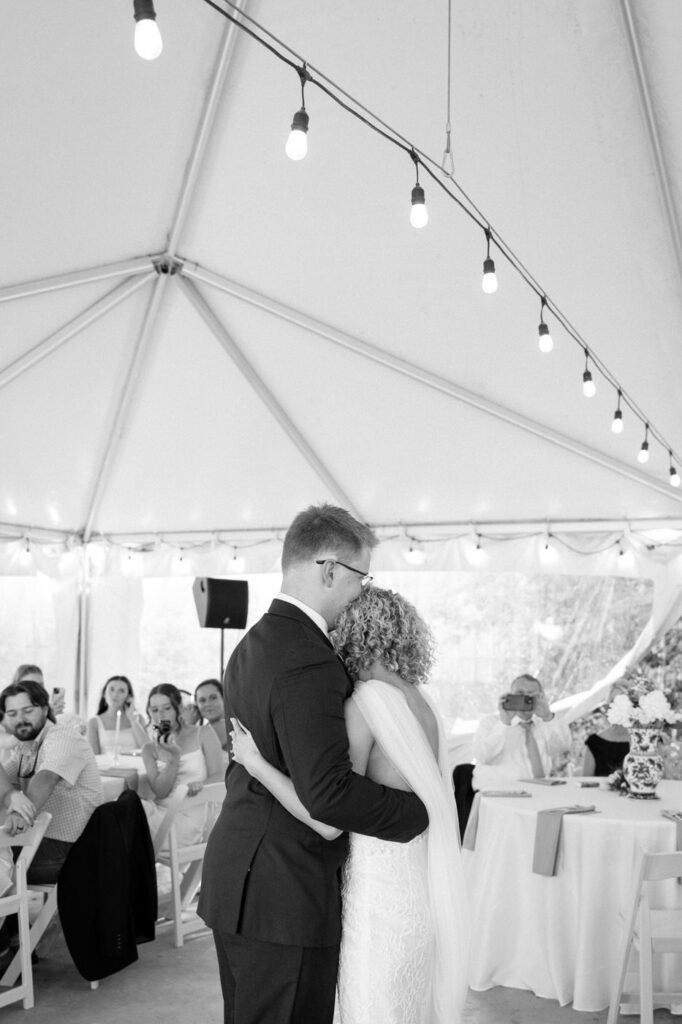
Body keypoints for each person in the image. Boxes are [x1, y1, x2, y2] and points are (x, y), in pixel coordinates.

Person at [198, 503, 428, 1024]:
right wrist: (420, 813)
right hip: (284, 894)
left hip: (240, 876)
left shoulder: (251, 643)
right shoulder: (308, 658)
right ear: (329, 569)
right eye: (360, 577)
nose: (360, 592)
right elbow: (329, 797)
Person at [231, 586, 469, 1024]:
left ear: (353, 635)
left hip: (378, 902)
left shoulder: (365, 705)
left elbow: (328, 821)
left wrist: (255, 764)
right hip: (419, 895)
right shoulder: (423, 702)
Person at [0, 678, 103, 966]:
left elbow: (45, 779)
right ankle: (10, 946)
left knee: (0, 862)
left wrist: (18, 808)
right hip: (43, 844)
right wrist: (10, 795)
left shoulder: (63, 738)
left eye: (28, 710)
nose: (20, 719)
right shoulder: (25, 747)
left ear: (45, 708)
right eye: (12, 714)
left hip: (71, 852)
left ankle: (6, 954)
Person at [140, 683, 224, 846]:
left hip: (188, 821)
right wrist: (174, 757)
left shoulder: (203, 733)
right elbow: (161, 792)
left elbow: (219, 776)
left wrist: (201, 784)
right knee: (120, 809)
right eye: (155, 710)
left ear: (178, 708)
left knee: (122, 820)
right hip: (161, 816)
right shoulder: (149, 749)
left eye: (167, 708)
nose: (160, 716)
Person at [472, 673, 571, 790]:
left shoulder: (544, 723)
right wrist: (504, 723)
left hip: (538, 792)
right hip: (497, 794)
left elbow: (562, 748)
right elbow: (483, 756)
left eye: (531, 695)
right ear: (510, 696)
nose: (526, 698)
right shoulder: (490, 723)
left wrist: (547, 716)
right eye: (520, 694)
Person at [86, 674, 149, 756]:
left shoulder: (138, 719)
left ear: (128, 697)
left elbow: (148, 750)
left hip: (135, 766)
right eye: (111, 689)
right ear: (104, 694)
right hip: (106, 767)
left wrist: (132, 719)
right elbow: (93, 757)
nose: (115, 694)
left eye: (121, 691)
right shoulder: (94, 723)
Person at [581, 683, 630, 776]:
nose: (617, 706)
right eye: (613, 701)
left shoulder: (642, 741)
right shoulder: (594, 743)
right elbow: (586, 784)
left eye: (622, 700)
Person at [195, 678, 228, 751]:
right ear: (196, 705)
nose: (208, 704)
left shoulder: (224, 725)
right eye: (202, 700)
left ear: (224, 698)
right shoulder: (207, 726)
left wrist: (188, 723)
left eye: (213, 698)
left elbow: (189, 754)